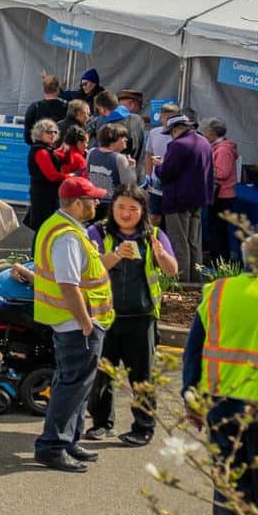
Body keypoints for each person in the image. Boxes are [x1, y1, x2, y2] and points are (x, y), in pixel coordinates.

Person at [180, 232, 258, 515]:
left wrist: (191, 398)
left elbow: (193, 351)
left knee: (231, 486)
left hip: (222, 405)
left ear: (245, 260)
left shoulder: (217, 292)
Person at [32, 175, 117, 473]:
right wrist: (85, 323)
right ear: (78, 204)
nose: (97, 203)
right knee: (72, 386)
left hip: (73, 323)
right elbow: (68, 284)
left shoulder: (64, 228)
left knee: (76, 386)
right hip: (76, 324)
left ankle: (68, 440)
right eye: (92, 199)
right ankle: (53, 446)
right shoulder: (67, 236)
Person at [80, 185, 177, 447]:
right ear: (112, 207)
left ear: (143, 210)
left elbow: (172, 270)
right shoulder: (97, 231)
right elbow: (90, 269)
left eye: (133, 208)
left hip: (142, 317)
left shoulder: (154, 235)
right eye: (121, 207)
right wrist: (114, 256)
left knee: (142, 377)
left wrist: (161, 254)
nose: (126, 213)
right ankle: (101, 424)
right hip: (104, 316)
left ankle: (143, 427)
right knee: (101, 374)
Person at [157, 113, 213, 281]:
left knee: (179, 243)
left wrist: (159, 166)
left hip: (178, 200)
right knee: (194, 243)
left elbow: (166, 173)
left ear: (175, 129)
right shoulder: (204, 142)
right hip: (198, 199)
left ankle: (181, 282)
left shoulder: (178, 145)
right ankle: (196, 281)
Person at [23, 119, 83, 232]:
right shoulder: (42, 151)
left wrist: (68, 147)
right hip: (43, 195)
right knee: (43, 228)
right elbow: (52, 175)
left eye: (55, 132)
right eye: (49, 132)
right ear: (40, 133)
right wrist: (70, 176)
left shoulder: (48, 149)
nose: (53, 135)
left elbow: (66, 160)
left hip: (48, 193)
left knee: (47, 227)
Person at [205, 118, 241, 265]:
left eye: (207, 131)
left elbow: (222, 173)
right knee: (216, 228)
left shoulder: (223, 149)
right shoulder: (219, 147)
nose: (205, 134)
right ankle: (218, 259)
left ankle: (219, 261)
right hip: (221, 194)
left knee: (218, 229)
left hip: (222, 195)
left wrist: (204, 169)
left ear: (213, 133)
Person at [84, 122, 135, 217]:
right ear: (114, 139)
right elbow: (129, 185)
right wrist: (131, 168)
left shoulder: (91, 152)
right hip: (112, 204)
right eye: (123, 137)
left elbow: (87, 174)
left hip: (94, 201)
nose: (126, 139)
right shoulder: (119, 158)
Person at [23, 74, 69, 146]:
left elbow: (27, 137)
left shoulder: (34, 107)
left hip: (39, 152)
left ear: (44, 89)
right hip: (60, 152)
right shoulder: (67, 107)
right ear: (57, 89)